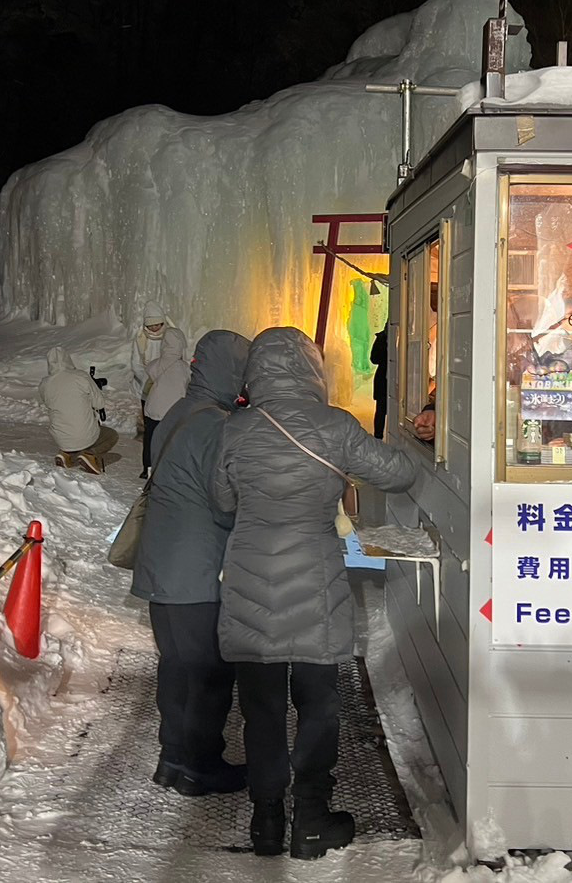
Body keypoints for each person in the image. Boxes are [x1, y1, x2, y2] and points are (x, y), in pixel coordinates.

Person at [214, 327, 417, 859]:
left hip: (249, 576)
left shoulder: (235, 430)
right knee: (318, 704)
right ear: (311, 370)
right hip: (316, 578)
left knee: (260, 709)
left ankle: (265, 821)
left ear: (255, 372)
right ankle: (310, 818)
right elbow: (398, 474)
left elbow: (221, 499)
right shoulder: (334, 427)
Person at [131, 330, 252, 797]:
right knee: (208, 673)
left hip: (161, 567)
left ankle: (173, 758)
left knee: (176, 669)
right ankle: (201, 766)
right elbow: (225, 504)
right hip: (197, 572)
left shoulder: (179, 412)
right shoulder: (217, 426)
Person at [39, 347, 115, 474]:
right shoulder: (80, 376)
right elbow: (99, 403)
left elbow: (48, 403)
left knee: (68, 431)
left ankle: (65, 454)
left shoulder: (45, 383)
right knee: (111, 435)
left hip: (60, 438)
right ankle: (89, 455)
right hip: (83, 434)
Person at [141, 326, 190, 478]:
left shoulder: (155, 364)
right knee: (171, 442)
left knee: (150, 440)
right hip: (174, 413)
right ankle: (168, 470)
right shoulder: (185, 368)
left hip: (154, 410)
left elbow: (148, 383)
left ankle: (147, 468)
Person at [130, 301, 173, 439]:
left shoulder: (171, 337)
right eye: (151, 325)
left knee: (166, 414)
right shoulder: (140, 339)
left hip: (167, 382)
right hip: (146, 383)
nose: (154, 328)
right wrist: (148, 378)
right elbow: (136, 364)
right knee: (149, 415)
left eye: (157, 324)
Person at [369, 325, 388, 439]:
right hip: (384, 378)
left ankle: (378, 437)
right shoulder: (381, 338)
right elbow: (374, 359)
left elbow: (374, 359)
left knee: (381, 410)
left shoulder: (381, 337)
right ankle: (378, 437)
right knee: (382, 410)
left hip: (382, 377)